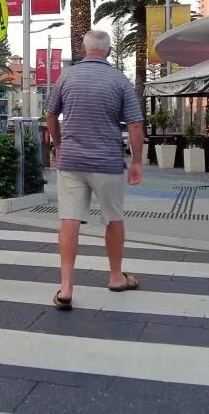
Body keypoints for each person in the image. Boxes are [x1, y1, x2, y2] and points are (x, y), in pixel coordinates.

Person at [45, 29, 144, 311]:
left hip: (72, 162)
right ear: (110, 52)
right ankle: (115, 277)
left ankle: (66, 287)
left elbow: (51, 114)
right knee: (114, 218)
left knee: (69, 220)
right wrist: (137, 161)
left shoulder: (67, 77)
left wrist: (58, 146)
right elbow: (135, 124)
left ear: (84, 49)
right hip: (108, 162)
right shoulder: (119, 80)